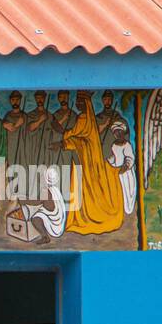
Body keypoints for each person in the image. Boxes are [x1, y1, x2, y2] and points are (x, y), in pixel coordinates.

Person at [62, 91, 125, 236]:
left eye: (80, 101)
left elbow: (76, 137)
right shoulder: (90, 119)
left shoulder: (84, 118)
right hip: (86, 160)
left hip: (85, 161)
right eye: (77, 101)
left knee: (83, 188)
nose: (77, 104)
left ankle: (86, 217)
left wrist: (64, 141)